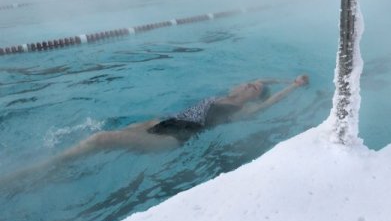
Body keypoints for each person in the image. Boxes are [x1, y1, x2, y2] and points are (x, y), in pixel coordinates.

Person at [57, 74, 309, 160]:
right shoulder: (223, 96)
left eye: (253, 88)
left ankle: (50, 166)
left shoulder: (242, 110)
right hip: (161, 122)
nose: (247, 86)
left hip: (174, 139)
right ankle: (62, 160)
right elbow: (263, 79)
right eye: (248, 83)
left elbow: (272, 100)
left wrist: (293, 85)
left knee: (101, 139)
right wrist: (274, 79)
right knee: (97, 140)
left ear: (255, 97)